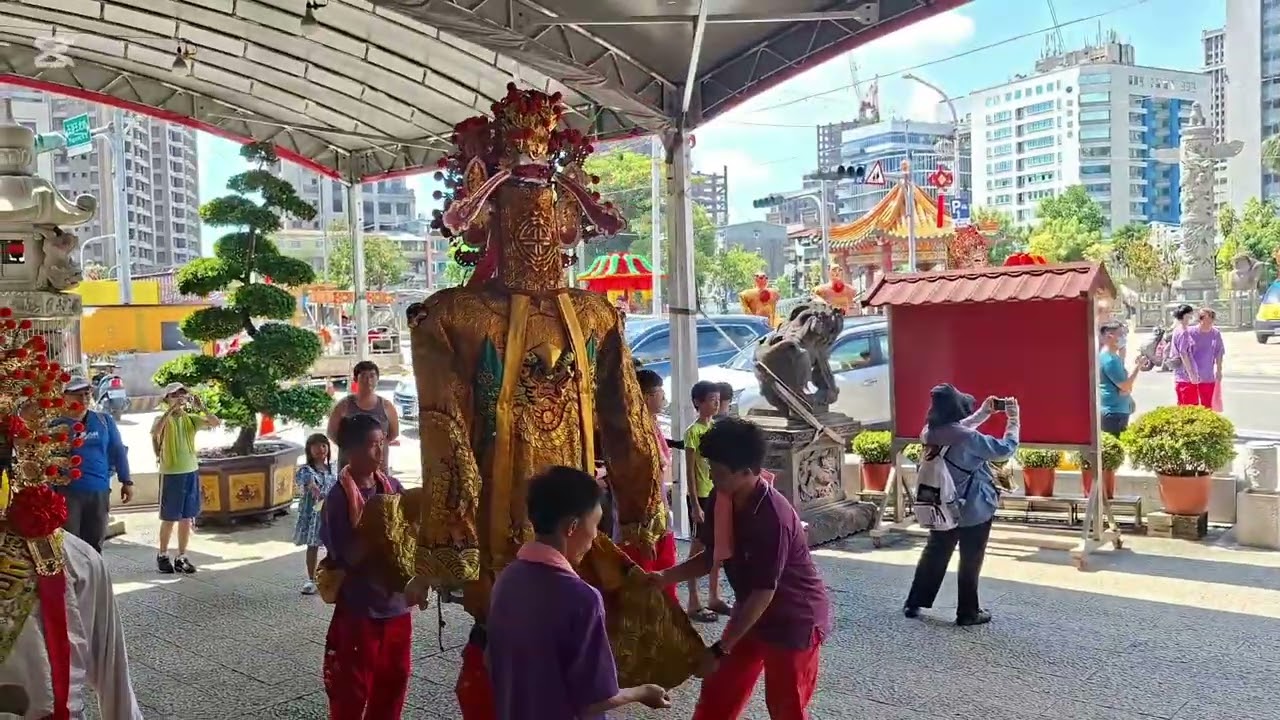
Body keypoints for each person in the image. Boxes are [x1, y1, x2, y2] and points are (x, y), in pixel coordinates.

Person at [651, 418, 830, 719]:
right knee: (719, 692)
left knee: (786, 707)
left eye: (718, 471)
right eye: (710, 467)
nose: (712, 476)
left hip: (793, 619)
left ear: (747, 472)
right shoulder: (723, 496)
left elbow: (764, 592)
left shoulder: (772, 517)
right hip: (751, 611)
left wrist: (721, 648)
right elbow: (712, 556)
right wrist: (664, 577)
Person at [488, 467, 672, 718]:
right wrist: (642, 692)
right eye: (595, 524)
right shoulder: (582, 598)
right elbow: (594, 700)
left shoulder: (507, 579)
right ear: (572, 527)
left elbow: (492, 660)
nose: (595, 536)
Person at [904, 384, 1019, 626]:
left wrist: (983, 414)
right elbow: (1005, 450)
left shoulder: (929, 432)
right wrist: (1013, 420)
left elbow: (956, 429)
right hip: (973, 506)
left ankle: (914, 602)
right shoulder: (968, 438)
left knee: (935, 553)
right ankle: (968, 612)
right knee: (970, 558)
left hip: (941, 506)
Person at [320, 413, 411, 719]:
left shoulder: (392, 487)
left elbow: (411, 530)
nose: (380, 451)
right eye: (373, 445)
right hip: (360, 609)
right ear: (352, 450)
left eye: (382, 443)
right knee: (352, 688)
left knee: (394, 683)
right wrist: (375, 530)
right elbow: (343, 556)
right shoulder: (337, 499)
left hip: (396, 605)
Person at [54, 378, 133, 553]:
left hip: (99, 491)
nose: (83, 399)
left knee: (95, 544)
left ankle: (94, 571)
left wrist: (126, 481)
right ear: (64, 397)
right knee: (70, 545)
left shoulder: (104, 421)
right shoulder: (55, 425)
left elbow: (117, 450)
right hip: (67, 493)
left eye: (87, 394)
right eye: (77, 395)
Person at [151, 382, 219, 574]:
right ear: (166, 399)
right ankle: (163, 554)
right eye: (174, 395)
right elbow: (156, 432)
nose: (179, 398)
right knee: (169, 517)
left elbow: (215, 423)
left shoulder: (190, 419)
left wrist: (202, 407)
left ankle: (181, 556)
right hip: (171, 473)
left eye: (182, 394)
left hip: (190, 471)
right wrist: (171, 410)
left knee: (187, 517)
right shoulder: (161, 418)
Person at [684, 379, 729, 622]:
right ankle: (694, 600)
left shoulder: (715, 429)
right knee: (698, 549)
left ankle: (714, 595)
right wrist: (694, 504)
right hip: (701, 494)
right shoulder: (693, 432)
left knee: (718, 548)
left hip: (716, 491)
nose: (716, 404)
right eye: (711, 399)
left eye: (717, 400)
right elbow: (690, 471)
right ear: (697, 402)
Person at [636, 369, 678, 603]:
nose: (664, 398)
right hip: (643, 513)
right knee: (645, 574)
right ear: (648, 396)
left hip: (659, 506)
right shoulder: (636, 431)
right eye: (661, 393)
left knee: (665, 568)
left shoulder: (652, 424)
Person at [327, 360, 398, 472]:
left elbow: (393, 434)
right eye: (364, 376)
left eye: (372, 376)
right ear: (356, 379)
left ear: (377, 379)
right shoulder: (343, 406)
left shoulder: (387, 406)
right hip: (349, 469)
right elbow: (332, 433)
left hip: (379, 470)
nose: (368, 380)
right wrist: (351, 446)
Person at [293, 433, 337, 595]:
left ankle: (331, 576)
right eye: (316, 446)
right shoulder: (306, 470)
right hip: (314, 515)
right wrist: (313, 488)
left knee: (333, 546)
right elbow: (309, 484)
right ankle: (311, 579)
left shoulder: (333, 469)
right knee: (312, 546)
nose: (321, 449)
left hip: (331, 513)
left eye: (324, 445)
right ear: (309, 450)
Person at [1098, 321, 1150, 436]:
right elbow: (1125, 386)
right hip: (1114, 413)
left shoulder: (1108, 356)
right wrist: (1138, 367)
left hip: (1114, 409)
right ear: (1110, 336)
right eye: (1121, 334)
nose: (1124, 337)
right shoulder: (1110, 360)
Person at [1173, 307, 1225, 408]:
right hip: (1190, 377)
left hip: (1207, 376)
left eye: (1212, 319)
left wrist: (1219, 370)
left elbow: (1219, 353)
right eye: (1206, 319)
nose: (1209, 322)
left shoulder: (1215, 333)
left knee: (1208, 407)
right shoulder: (1189, 332)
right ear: (1200, 319)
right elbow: (1183, 353)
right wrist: (1190, 373)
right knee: (1190, 407)